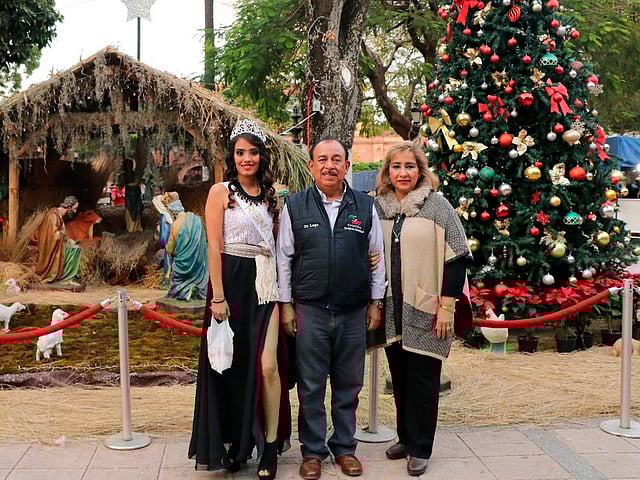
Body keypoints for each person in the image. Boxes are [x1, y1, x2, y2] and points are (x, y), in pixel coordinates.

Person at [276, 138, 386, 480]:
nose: (329, 165)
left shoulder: (364, 207)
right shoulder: (295, 206)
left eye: (336, 159)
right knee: (310, 386)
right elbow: (284, 259)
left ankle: (344, 448)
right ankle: (312, 452)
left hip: (354, 310)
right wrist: (286, 305)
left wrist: (376, 302)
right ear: (311, 166)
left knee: (348, 385)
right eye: (322, 159)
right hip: (310, 309)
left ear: (347, 166)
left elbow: (377, 256)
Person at [189, 119, 290, 480]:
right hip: (229, 285)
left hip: (264, 286)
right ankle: (238, 445)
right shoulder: (221, 192)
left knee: (267, 366)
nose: (247, 158)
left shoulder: (272, 195)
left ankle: (270, 446)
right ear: (232, 156)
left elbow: (279, 246)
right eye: (240, 152)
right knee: (230, 366)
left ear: (262, 156)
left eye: (253, 152)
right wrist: (218, 296)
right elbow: (214, 245)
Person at [373, 141, 472, 476]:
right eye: (396, 166)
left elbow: (457, 256)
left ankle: (421, 447)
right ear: (387, 171)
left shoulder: (437, 206)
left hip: (427, 308)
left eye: (410, 166)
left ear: (420, 171)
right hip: (392, 308)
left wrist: (446, 308)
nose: (403, 173)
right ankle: (405, 437)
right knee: (400, 377)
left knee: (423, 381)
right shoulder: (379, 208)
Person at [164, 198, 209, 301]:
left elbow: (170, 247)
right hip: (198, 262)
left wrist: (169, 251)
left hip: (182, 264)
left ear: (172, 212)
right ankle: (196, 287)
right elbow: (203, 240)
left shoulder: (175, 224)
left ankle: (184, 291)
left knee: (176, 276)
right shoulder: (196, 219)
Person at [34, 196, 82, 285]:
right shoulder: (53, 215)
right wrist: (62, 234)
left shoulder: (58, 214)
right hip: (50, 246)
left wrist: (67, 239)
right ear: (69, 207)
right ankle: (66, 277)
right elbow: (54, 234)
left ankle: (69, 275)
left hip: (57, 243)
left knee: (76, 246)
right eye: (74, 208)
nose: (75, 212)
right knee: (74, 250)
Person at [118, 158, 144, 232]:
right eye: (127, 165)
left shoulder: (135, 174)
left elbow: (137, 182)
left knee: (137, 209)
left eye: (130, 165)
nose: (129, 166)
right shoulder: (122, 176)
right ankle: (130, 228)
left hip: (136, 194)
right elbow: (120, 186)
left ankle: (137, 227)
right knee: (129, 209)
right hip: (129, 194)